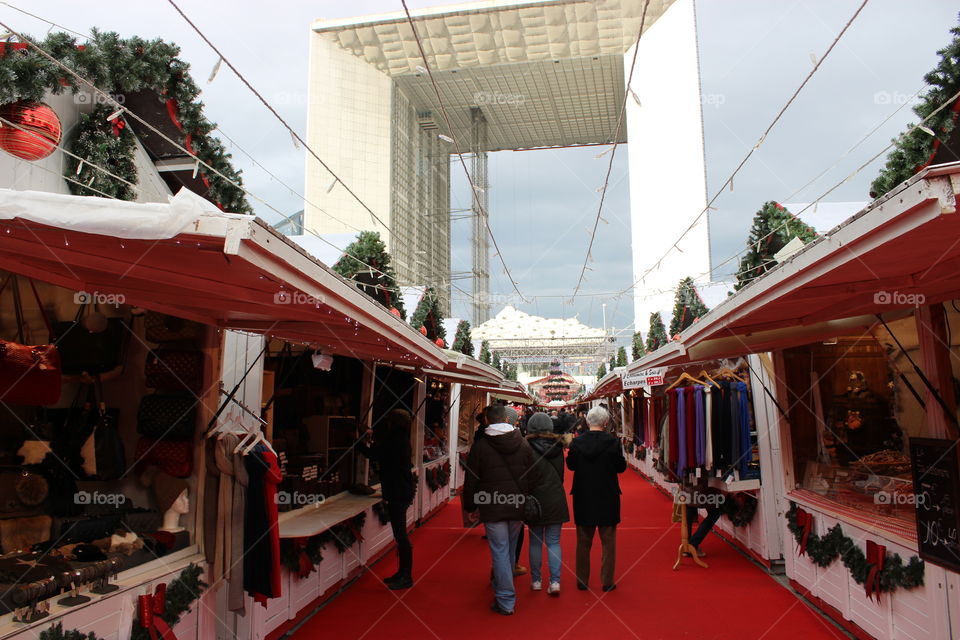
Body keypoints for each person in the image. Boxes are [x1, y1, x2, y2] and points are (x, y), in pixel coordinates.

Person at [463, 404, 533, 615]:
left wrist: (470, 505)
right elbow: (532, 474)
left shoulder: (481, 446)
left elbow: (471, 479)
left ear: (487, 421)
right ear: (505, 419)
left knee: (500, 551)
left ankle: (505, 599)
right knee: (509, 549)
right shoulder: (522, 443)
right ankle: (503, 589)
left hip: (492, 505)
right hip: (516, 502)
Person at [566, 406, 626, 592]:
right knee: (609, 542)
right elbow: (620, 468)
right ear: (606, 423)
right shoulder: (613, 443)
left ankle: (582, 580)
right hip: (607, 494)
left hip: (584, 495)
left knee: (583, 541)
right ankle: (607, 581)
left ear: (586, 422)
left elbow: (571, 465)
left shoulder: (577, 443)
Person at [358, 409, 415, 590]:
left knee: (401, 535)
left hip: (398, 492)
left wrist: (358, 443)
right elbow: (381, 450)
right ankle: (402, 572)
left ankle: (406, 575)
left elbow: (375, 454)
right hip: (400, 490)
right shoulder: (401, 438)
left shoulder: (396, 440)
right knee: (400, 535)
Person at [525, 412, 569, 596]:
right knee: (553, 541)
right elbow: (560, 476)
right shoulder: (558, 447)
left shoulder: (525, 447)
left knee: (535, 542)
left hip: (535, 499)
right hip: (555, 497)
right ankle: (555, 581)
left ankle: (536, 580)